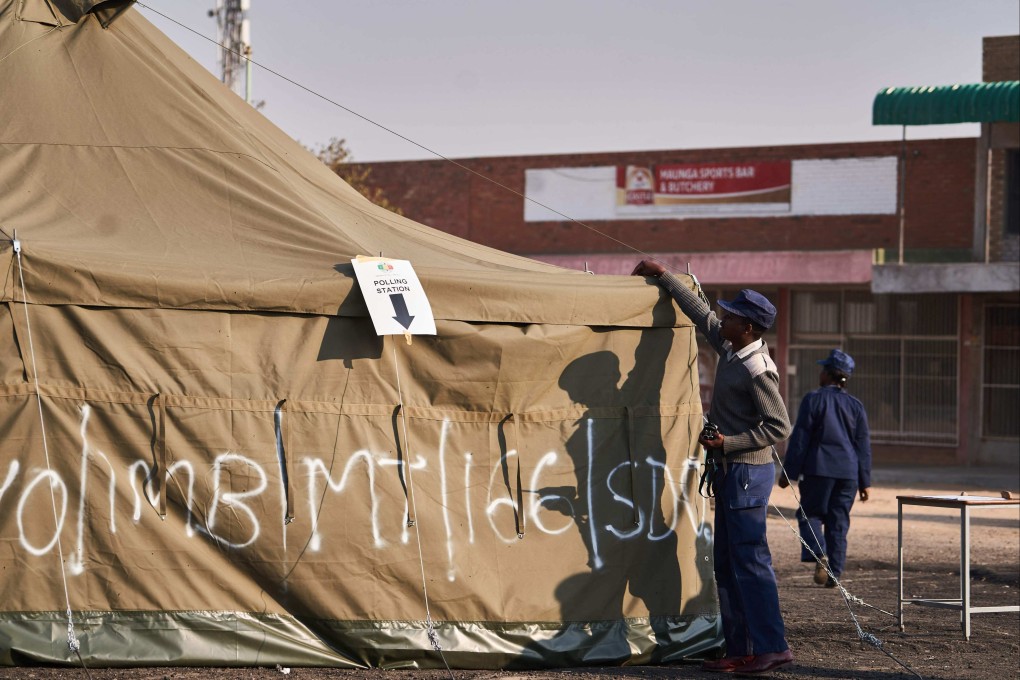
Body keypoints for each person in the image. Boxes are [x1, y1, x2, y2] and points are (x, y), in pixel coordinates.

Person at [631, 261, 794, 675]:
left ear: (750, 328)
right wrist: (664, 275)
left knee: (750, 562)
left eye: (732, 316)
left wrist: (729, 443)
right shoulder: (730, 347)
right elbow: (702, 315)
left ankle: (772, 647)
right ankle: (739, 649)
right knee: (725, 564)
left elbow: (779, 425)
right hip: (728, 472)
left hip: (746, 472)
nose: (723, 318)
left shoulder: (757, 369)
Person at [778, 349, 871, 588]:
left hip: (819, 470)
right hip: (848, 474)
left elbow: (800, 438)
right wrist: (865, 482)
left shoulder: (814, 399)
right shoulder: (856, 406)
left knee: (809, 514)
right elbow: (863, 446)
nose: (819, 374)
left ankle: (820, 554)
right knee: (838, 522)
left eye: (822, 369)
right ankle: (834, 574)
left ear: (828, 374)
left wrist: (789, 472)